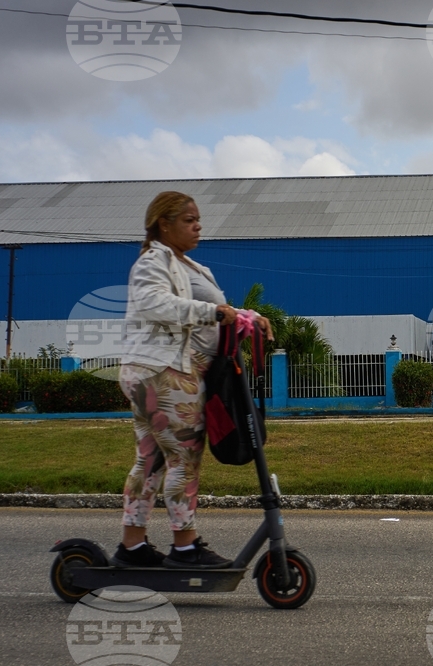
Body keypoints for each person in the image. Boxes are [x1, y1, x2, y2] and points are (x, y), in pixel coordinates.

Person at [111, 191, 273, 569]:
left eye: (197, 219)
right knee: (184, 459)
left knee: (150, 460)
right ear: (163, 224)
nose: (198, 225)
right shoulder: (153, 261)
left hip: (160, 372)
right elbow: (156, 304)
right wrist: (213, 313)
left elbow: (215, 312)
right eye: (188, 220)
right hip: (165, 372)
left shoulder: (192, 267)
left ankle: (131, 547)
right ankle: (185, 547)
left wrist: (246, 316)